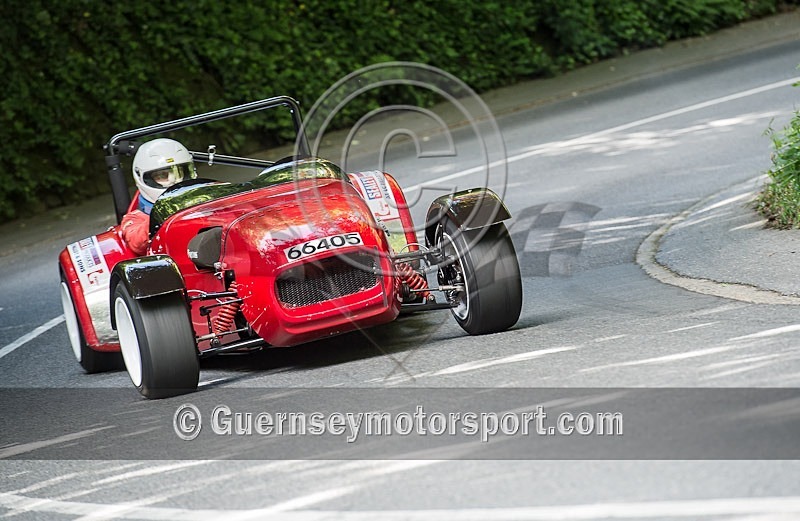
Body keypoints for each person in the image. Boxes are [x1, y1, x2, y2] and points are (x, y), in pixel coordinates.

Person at [120, 138, 197, 255]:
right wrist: (162, 214)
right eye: (162, 175)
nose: (174, 181)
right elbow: (136, 242)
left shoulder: (201, 199)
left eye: (179, 173)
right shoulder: (136, 218)